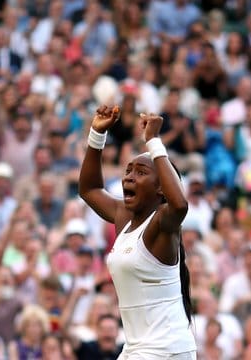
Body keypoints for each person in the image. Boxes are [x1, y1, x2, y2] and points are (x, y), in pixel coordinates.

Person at [78, 105, 196, 358]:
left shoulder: (162, 223)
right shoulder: (124, 217)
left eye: (141, 173)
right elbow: (89, 190)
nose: (129, 177)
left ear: (161, 188)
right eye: (128, 170)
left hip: (166, 350)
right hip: (137, 348)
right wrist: (97, 135)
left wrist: (153, 142)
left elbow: (180, 204)